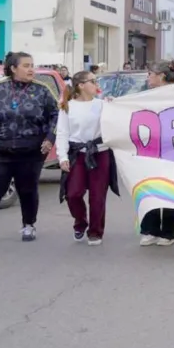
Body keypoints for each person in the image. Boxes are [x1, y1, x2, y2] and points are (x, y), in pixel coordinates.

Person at [0, 52, 59, 245]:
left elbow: (57, 115)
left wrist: (50, 138)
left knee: (27, 189)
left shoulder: (43, 90)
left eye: (32, 65)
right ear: (13, 68)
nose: (31, 69)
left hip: (32, 150)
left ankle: (29, 224)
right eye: (26, 65)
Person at [57, 70, 118, 245]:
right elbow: (62, 132)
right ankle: (80, 221)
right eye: (92, 81)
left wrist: (114, 105)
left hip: (100, 152)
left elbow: (114, 123)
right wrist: (62, 157)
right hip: (77, 153)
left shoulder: (102, 105)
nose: (96, 85)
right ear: (81, 85)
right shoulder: (67, 106)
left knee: (98, 196)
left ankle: (96, 231)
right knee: (73, 193)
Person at [139, 61, 174, 246]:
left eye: (151, 74)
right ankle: (149, 229)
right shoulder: (145, 95)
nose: (148, 77)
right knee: (150, 186)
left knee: (172, 188)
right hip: (150, 147)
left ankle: (168, 232)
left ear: (162, 76)